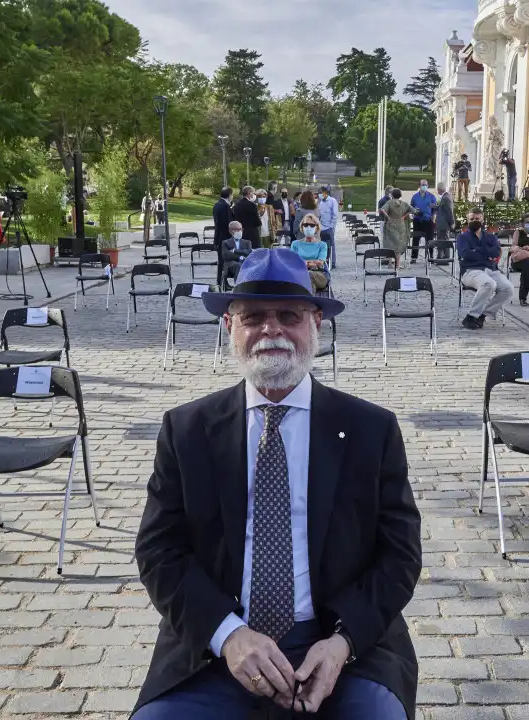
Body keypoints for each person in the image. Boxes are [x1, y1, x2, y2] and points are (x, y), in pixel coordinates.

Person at [132, 248, 421, 720]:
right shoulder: (187, 430)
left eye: (289, 315)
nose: (272, 330)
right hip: (218, 647)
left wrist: (341, 645)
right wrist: (228, 635)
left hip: (344, 647)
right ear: (229, 326)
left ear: (316, 326)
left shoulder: (371, 429)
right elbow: (158, 552)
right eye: (253, 317)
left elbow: (401, 555)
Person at [457, 208, 514, 330]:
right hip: (470, 271)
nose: (474, 221)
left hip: (490, 270)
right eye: (472, 219)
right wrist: (485, 253)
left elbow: (496, 253)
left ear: (482, 219)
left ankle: (482, 315)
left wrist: (477, 251)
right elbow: (465, 254)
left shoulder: (490, 237)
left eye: (477, 219)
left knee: (508, 288)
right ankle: (471, 317)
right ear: (467, 220)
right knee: (489, 284)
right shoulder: (462, 238)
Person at [507, 217, 529, 306]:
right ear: (522, 224)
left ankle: (523, 298)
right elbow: (513, 247)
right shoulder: (518, 232)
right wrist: (522, 248)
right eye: (527, 222)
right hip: (518, 261)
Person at [291, 213, 330, 291]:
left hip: (319, 274)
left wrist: (302, 262)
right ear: (302, 227)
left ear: (316, 228)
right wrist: (312, 263)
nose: (308, 227)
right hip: (299, 274)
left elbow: (320, 263)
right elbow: (292, 262)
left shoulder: (322, 245)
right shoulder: (295, 244)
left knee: (308, 275)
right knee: (307, 280)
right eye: (305, 225)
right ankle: (310, 300)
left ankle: (307, 300)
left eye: (312, 225)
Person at [380, 188, 412, 269]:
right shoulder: (403, 203)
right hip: (401, 226)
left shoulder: (389, 202)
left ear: (392, 195)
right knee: (399, 245)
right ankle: (397, 265)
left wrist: (387, 217)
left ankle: (390, 264)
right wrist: (404, 216)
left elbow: (382, 210)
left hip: (391, 225)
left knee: (390, 244)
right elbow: (413, 210)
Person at [408, 180, 437, 264]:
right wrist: (414, 212)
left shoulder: (431, 196)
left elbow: (435, 209)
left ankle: (430, 257)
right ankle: (414, 257)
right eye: (423, 185)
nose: (424, 186)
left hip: (428, 221)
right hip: (417, 220)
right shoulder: (415, 196)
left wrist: (434, 217)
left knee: (430, 239)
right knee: (416, 239)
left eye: (426, 185)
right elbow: (411, 207)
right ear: (419, 186)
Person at [317, 185, 339, 268]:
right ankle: (323, 261)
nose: (319, 195)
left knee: (331, 245)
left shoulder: (333, 201)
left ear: (325, 193)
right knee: (322, 245)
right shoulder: (321, 202)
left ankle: (332, 262)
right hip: (321, 228)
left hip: (329, 228)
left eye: (320, 193)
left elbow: (335, 215)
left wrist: (331, 226)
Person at [434, 185, 455, 257]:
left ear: (440, 190)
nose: (437, 191)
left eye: (438, 189)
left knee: (444, 240)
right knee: (441, 239)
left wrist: (452, 222)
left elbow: (449, 211)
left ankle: (445, 257)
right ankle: (441, 256)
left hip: (444, 223)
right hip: (442, 223)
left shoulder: (446, 198)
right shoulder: (445, 197)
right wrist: (435, 206)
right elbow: (442, 208)